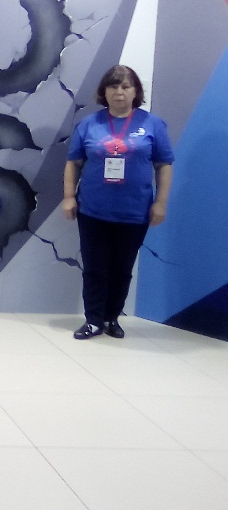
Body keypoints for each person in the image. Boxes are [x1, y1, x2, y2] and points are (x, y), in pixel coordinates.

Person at [62, 65, 174, 340]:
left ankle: (111, 318)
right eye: (113, 86)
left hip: (135, 212)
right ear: (104, 91)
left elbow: (164, 165)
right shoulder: (89, 124)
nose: (119, 92)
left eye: (125, 86)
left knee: (122, 270)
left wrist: (160, 203)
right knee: (95, 268)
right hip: (93, 210)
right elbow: (74, 162)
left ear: (136, 92)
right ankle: (93, 320)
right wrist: (68, 197)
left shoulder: (153, 124)